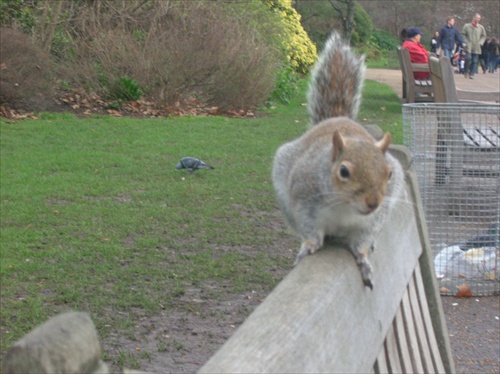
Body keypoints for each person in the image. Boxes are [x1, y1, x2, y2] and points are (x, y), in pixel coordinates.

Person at [462, 13, 487, 79]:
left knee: (475, 61)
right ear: (474, 18)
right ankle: (466, 71)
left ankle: (472, 74)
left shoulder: (481, 27)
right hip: (468, 46)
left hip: (477, 47)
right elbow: (463, 34)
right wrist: (466, 41)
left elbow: (484, 36)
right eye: (477, 18)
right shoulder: (467, 26)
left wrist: (481, 42)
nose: (478, 19)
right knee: (468, 58)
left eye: (479, 18)